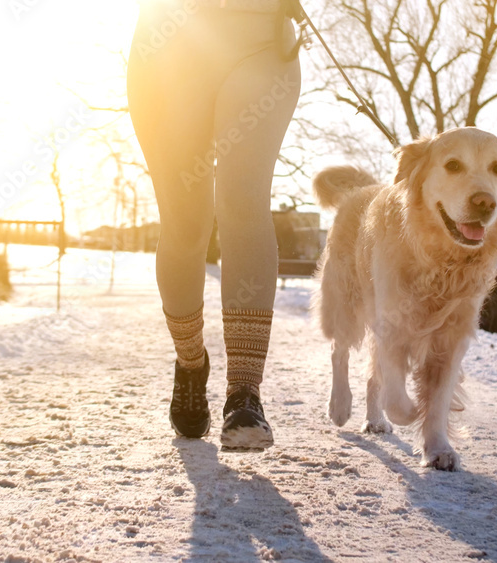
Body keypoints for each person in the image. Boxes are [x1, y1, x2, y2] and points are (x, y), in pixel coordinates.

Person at [127, 0, 302, 449]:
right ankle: (190, 362)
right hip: (169, 44)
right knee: (186, 224)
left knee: (243, 203)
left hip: (261, 35)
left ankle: (244, 393)